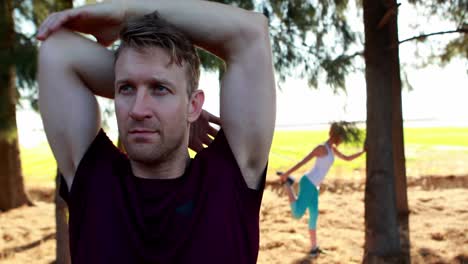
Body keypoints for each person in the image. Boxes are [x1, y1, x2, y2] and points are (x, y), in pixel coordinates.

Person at [36, 1, 275, 263]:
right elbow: (56, 48)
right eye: (126, 89)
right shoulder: (95, 182)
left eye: (159, 89)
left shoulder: (229, 181)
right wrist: (173, 100)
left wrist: (126, 13)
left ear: (194, 105)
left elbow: (250, 32)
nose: (138, 110)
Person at [278, 122, 365, 257]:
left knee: (314, 216)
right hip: (308, 183)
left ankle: (314, 248)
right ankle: (287, 184)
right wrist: (286, 174)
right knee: (297, 214)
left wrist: (363, 151)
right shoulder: (321, 148)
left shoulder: (332, 149)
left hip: (314, 187)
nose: (342, 139)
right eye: (341, 137)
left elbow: (347, 158)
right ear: (336, 136)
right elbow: (303, 161)